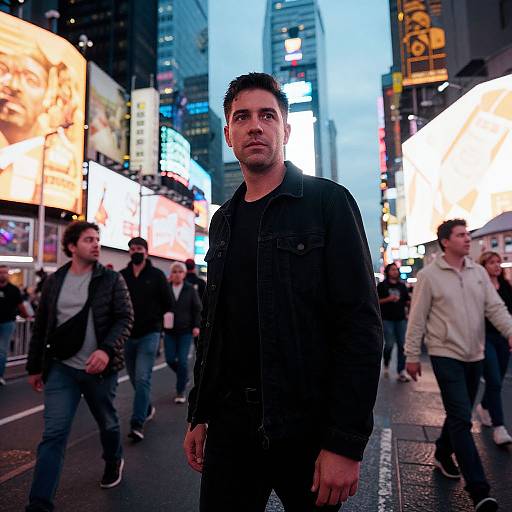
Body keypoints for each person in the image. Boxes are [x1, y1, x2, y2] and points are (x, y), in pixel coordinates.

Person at [183, 72, 383, 512]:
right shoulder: (223, 221)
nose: (255, 125)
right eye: (243, 117)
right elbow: (215, 325)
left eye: (267, 115)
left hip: (306, 431)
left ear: (286, 130)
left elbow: (360, 327)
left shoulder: (328, 203)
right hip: (230, 429)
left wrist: (345, 443)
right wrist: (199, 412)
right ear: (228, 134)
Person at [405, 219, 512, 512]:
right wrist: (411, 355)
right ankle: (479, 491)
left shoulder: (477, 272)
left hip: (475, 353)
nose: (468, 239)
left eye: (468, 234)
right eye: (461, 235)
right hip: (444, 353)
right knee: (462, 419)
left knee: (458, 413)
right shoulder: (429, 276)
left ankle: (441, 452)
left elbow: (495, 308)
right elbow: (417, 319)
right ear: (445, 242)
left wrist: (510, 330)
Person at [25, 221, 133, 512]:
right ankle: (39, 504)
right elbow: (43, 327)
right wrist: (34, 367)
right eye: (88, 239)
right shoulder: (55, 281)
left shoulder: (110, 280)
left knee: (108, 423)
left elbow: (125, 318)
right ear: (72, 246)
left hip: (99, 371)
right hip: (61, 368)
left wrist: (106, 350)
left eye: (97, 239)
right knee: (53, 435)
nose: (96, 244)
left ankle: (113, 459)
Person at [120, 236, 173, 442]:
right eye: (132, 248)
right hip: (127, 335)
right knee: (134, 378)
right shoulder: (122, 276)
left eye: (139, 248)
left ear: (146, 251)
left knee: (143, 378)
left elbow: (168, 303)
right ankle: (147, 407)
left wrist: (164, 328)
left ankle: (137, 423)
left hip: (150, 334)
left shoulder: (157, 275)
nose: (135, 251)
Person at [475, 251, 512, 445]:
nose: (497, 265)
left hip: (502, 338)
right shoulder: (480, 286)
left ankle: (484, 405)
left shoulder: (506, 286)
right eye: (492, 262)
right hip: (485, 337)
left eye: (498, 262)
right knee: (494, 380)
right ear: (484, 265)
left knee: (496, 379)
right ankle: (500, 427)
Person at [164, 261, 202, 404]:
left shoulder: (190, 289)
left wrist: (196, 326)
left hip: (186, 330)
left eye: (180, 272)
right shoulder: (166, 288)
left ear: (184, 274)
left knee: (183, 361)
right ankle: (183, 376)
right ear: (171, 274)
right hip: (169, 331)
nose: (177, 274)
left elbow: (197, 309)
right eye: (174, 272)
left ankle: (180, 391)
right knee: (169, 359)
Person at [377, 263, 410, 382]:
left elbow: (407, 301)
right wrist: (388, 299)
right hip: (387, 319)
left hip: (401, 319)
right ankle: (386, 363)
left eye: (396, 269)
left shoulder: (402, 286)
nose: (395, 271)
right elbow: (376, 302)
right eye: (392, 269)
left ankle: (401, 370)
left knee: (402, 345)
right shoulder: (382, 286)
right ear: (387, 271)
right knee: (389, 344)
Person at [0, 264, 29, 385]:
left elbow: (21, 306)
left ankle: (0, 375)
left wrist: (26, 316)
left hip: (7, 323)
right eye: (1, 272)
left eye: (5, 272)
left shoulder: (14, 290)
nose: (3, 275)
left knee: (2, 350)